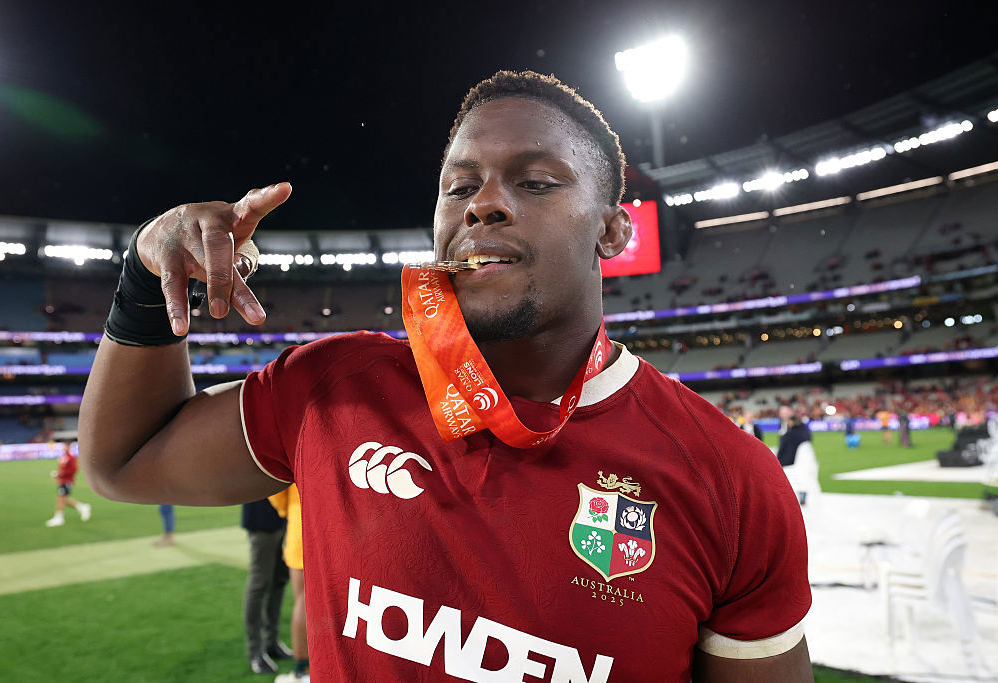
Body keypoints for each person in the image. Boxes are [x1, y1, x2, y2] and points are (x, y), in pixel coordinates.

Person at [79, 70, 813, 681]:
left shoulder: (731, 480)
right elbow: (123, 461)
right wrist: (144, 276)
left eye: (535, 182)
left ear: (613, 229)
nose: (484, 203)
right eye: (459, 188)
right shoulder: (332, 387)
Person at [242, 498, 293, 674]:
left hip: (284, 514)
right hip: (261, 515)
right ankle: (255, 651)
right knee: (260, 583)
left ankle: (271, 643)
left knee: (279, 579)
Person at [268, 485, 308, 683]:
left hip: (301, 526)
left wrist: (286, 509)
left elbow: (275, 489)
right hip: (337, 530)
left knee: (303, 600)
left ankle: (303, 671)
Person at [45, 442, 91, 526]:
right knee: (62, 498)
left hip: (67, 480)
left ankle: (60, 517)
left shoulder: (70, 457)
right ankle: (81, 507)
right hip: (62, 480)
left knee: (61, 497)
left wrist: (61, 474)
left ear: (68, 446)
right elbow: (62, 468)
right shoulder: (64, 456)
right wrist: (58, 475)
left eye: (65, 445)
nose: (63, 447)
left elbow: (74, 469)